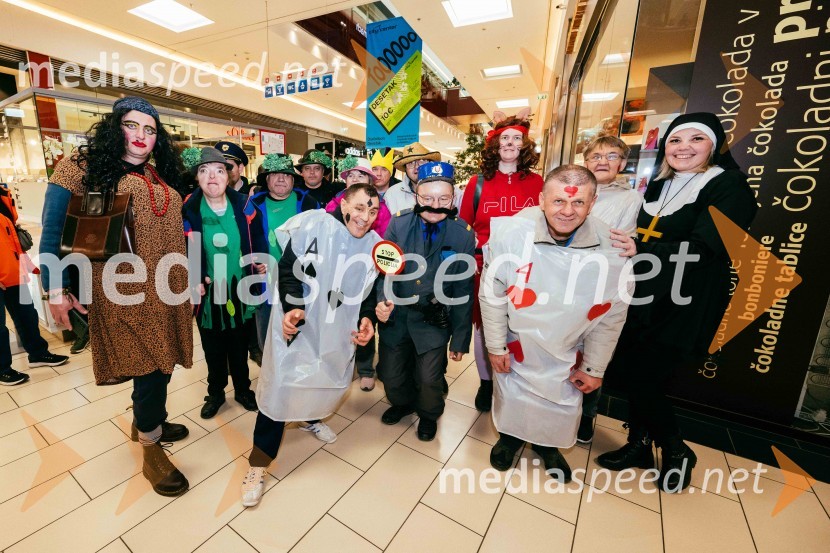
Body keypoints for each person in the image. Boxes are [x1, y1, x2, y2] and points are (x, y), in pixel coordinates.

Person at [39, 96, 193, 497]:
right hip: (121, 291)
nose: (141, 136)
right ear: (114, 127)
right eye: (132, 125)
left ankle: (148, 420)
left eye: (150, 129)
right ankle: (151, 449)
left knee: (162, 364)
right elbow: (53, 230)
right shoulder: (81, 167)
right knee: (149, 366)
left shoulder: (157, 174)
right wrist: (56, 289)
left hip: (168, 288)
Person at [596, 112, 757, 492]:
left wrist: (641, 248)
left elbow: (707, 247)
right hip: (643, 293)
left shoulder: (728, 185)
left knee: (646, 376)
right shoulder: (658, 186)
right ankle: (638, 443)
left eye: (695, 139)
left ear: (714, 146)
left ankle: (676, 449)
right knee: (633, 370)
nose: (683, 147)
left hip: (686, 299)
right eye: (675, 140)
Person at [479, 165, 631, 481]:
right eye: (558, 201)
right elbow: (492, 294)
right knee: (513, 396)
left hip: (569, 347)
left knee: (560, 403)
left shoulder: (612, 247)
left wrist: (594, 367)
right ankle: (510, 439)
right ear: (541, 200)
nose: (567, 211)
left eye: (578, 202)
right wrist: (495, 345)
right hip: (519, 343)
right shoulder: (512, 233)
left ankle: (548, 446)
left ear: (593, 203)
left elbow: (612, 314)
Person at [241, 184, 381, 506]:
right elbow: (288, 271)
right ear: (344, 205)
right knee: (281, 388)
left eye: (372, 211)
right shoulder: (314, 225)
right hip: (299, 320)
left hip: (336, 327)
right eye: (359, 208)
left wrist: (368, 318)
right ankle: (258, 464)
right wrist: (294, 307)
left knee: (322, 375)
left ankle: (310, 417)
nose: (365, 217)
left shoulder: (373, 245)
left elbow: (368, 292)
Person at [375, 162, 475, 441]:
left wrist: (459, 340)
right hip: (397, 315)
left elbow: (463, 288)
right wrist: (382, 301)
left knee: (430, 379)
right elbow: (384, 271)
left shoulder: (462, 234)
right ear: (416, 196)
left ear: (453, 198)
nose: (435, 205)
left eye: (443, 199)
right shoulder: (399, 223)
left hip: (433, 318)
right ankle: (403, 403)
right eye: (428, 198)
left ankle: (429, 414)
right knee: (390, 374)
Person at [458, 109, 544, 413]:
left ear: (525, 145)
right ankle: (486, 383)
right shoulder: (477, 183)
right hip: (485, 268)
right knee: (485, 328)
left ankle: (519, 381)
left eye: (516, 138)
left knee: (522, 327)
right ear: (495, 145)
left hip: (527, 269)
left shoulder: (538, 183)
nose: (510, 143)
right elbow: (464, 226)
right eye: (504, 138)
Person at [250, 153, 334, 441]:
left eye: (286, 175)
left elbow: (322, 244)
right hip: (264, 289)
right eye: (274, 175)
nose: (280, 179)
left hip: (302, 290)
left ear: (293, 179)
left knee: (306, 349)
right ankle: (276, 405)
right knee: (269, 348)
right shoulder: (253, 205)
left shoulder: (309, 204)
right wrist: (255, 260)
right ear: (266, 180)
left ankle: (310, 415)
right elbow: (244, 240)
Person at [181, 147, 266, 419]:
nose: (212, 177)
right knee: (212, 347)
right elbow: (184, 245)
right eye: (204, 171)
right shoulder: (189, 208)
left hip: (239, 287)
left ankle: (242, 390)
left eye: (219, 171)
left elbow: (257, 234)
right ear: (197, 178)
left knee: (239, 346)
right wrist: (195, 276)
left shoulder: (243, 204)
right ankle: (215, 393)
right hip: (207, 291)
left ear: (228, 176)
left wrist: (259, 260)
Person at [577, 135, 643, 443]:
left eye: (612, 156)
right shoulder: (574, 189)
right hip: (564, 282)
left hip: (603, 284)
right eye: (596, 156)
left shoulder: (630, 199)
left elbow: (617, 242)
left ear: (622, 163)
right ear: (586, 162)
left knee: (595, 351)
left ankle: (586, 415)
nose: (603, 161)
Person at [1, 186, 68, 385]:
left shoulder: (2, 195)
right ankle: (3, 369)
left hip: (12, 268)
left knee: (27, 315)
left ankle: (38, 354)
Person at [326, 156, 391, 237]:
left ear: (370, 181)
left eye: (360, 176)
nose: (355, 180)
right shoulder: (333, 204)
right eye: (351, 176)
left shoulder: (381, 209)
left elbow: (385, 240)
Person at [383, 142, 441, 214]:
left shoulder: (446, 191)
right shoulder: (392, 194)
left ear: (430, 164)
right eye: (410, 163)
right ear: (405, 169)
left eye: (421, 161)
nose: (416, 167)